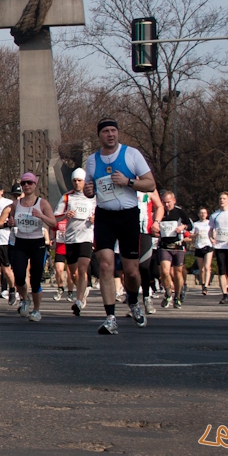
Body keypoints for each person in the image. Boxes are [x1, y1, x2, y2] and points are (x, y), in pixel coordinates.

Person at [82, 118, 156, 333]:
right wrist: (89, 192)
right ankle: (110, 317)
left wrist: (129, 182)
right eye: (106, 131)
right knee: (105, 266)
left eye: (114, 130)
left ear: (118, 133)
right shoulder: (93, 160)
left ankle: (133, 301)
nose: (110, 134)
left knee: (131, 272)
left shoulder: (132, 154)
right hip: (105, 216)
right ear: (100, 135)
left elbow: (150, 184)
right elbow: (90, 188)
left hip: (128, 216)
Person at [0, 172, 57, 321]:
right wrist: (10, 223)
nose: (27, 186)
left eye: (29, 183)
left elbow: (54, 223)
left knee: (35, 279)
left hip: (37, 243)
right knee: (20, 277)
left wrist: (41, 216)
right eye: (24, 183)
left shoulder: (42, 203)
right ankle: (25, 298)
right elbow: (10, 221)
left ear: (35, 185)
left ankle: (36, 310)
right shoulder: (16, 204)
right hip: (20, 243)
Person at [53, 168, 96, 306]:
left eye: (80, 180)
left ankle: (78, 300)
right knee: (74, 272)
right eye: (74, 181)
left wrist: (96, 218)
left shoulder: (93, 197)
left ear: (85, 181)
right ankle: (81, 291)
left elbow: (102, 214)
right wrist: (66, 215)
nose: (77, 183)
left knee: (83, 268)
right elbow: (55, 217)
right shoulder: (67, 197)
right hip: (71, 238)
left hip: (86, 237)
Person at [157, 191, 193, 309]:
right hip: (164, 246)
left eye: (169, 202)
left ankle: (177, 296)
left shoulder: (179, 211)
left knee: (177, 272)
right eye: (165, 202)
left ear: (174, 201)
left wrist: (183, 227)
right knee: (165, 271)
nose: (167, 205)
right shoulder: (160, 212)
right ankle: (168, 292)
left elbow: (190, 225)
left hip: (178, 245)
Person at [191, 207, 213, 296]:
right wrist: (196, 234)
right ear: (198, 214)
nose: (203, 214)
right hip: (199, 246)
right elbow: (191, 235)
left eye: (204, 213)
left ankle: (206, 286)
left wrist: (213, 239)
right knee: (202, 269)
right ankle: (203, 283)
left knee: (207, 267)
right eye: (201, 213)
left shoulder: (210, 223)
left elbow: (214, 232)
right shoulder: (195, 224)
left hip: (208, 246)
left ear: (207, 214)